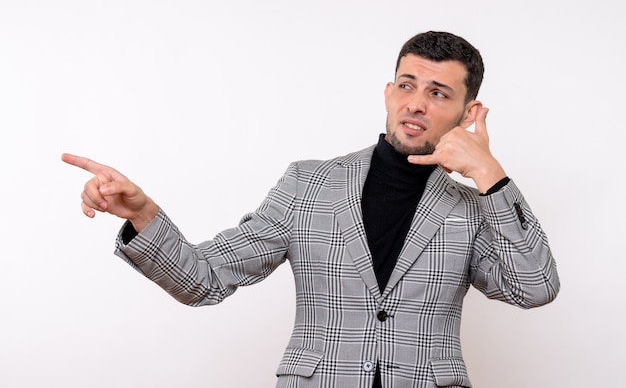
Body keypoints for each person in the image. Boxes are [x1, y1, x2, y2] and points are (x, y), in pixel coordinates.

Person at [62, 31, 560, 388]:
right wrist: (144, 212)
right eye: (406, 85)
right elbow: (203, 280)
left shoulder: (475, 208)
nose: (416, 104)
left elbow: (534, 289)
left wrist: (492, 177)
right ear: (388, 93)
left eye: (438, 93)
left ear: (468, 112)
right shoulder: (308, 184)